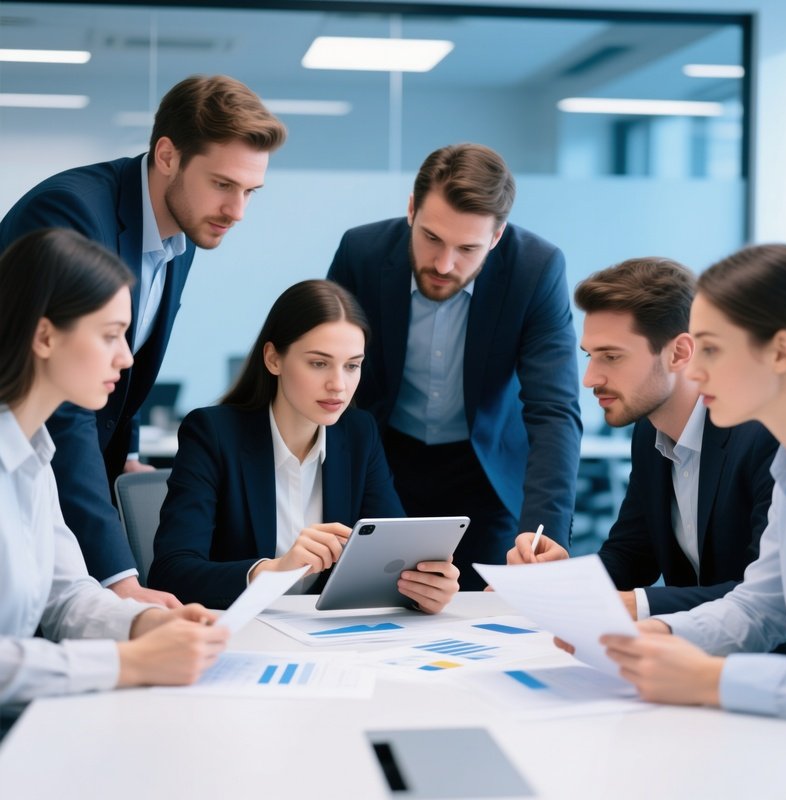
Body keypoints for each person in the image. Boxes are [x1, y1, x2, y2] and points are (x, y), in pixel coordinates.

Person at [0, 74, 286, 607]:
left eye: (250, 191)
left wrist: (125, 452)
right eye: (223, 184)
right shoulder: (72, 213)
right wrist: (122, 581)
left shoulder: (186, 228)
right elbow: (61, 401)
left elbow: (126, 359)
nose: (237, 211)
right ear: (168, 155)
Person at [0, 229, 228, 733]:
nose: (126, 358)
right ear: (45, 337)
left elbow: (66, 596)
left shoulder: (35, 453)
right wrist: (130, 662)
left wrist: (146, 623)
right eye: (110, 335)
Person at [327, 144, 582, 590]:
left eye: (467, 248)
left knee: (487, 610)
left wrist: (545, 534)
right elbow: (325, 369)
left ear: (496, 237)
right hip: (384, 460)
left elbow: (554, 409)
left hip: (484, 472)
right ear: (411, 209)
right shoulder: (361, 252)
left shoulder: (535, 269)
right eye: (431, 238)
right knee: (370, 601)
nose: (444, 264)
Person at [148, 280, 460, 613]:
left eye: (352, 365)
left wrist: (423, 588)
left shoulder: (359, 433)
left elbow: (395, 556)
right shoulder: (213, 433)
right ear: (273, 359)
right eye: (319, 363)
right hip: (240, 631)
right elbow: (170, 574)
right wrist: (273, 571)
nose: (338, 385)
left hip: (325, 636)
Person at [507, 258, 780, 619]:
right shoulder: (650, 431)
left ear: (679, 353)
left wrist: (636, 604)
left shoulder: (766, 436)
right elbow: (630, 556)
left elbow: (770, 598)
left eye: (611, 356)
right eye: (590, 356)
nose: (589, 379)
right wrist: (556, 579)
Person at [600, 244, 786, 719]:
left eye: (711, 348)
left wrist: (712, 679)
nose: (693, 369)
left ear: (780, 352)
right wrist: (662, 634)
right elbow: (761, 607)